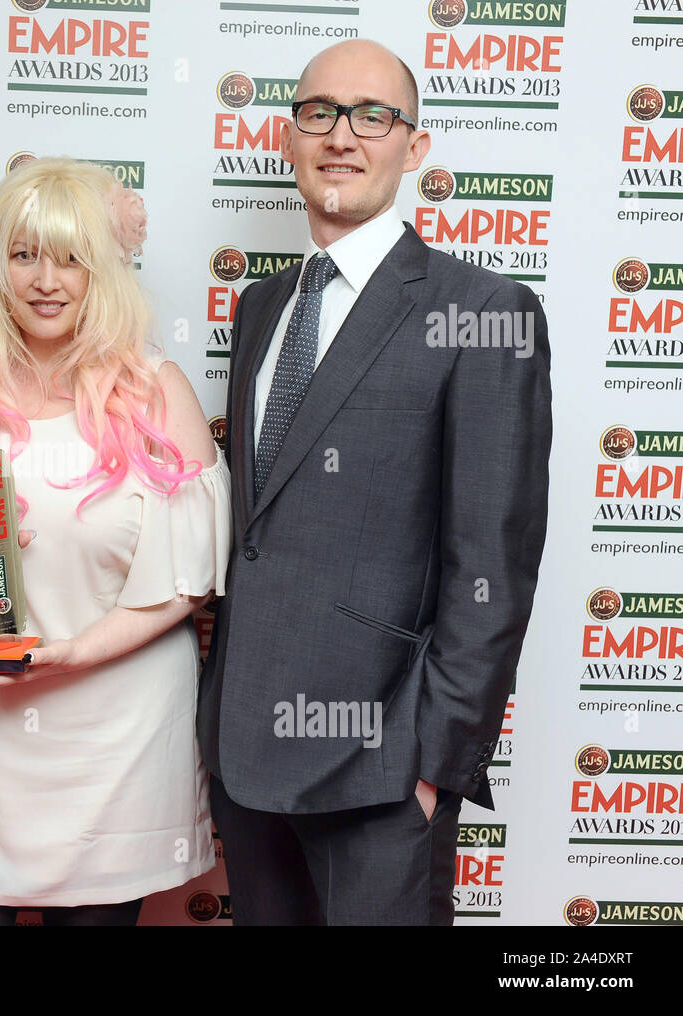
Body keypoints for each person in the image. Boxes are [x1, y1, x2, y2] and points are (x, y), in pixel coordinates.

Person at [199, 39, 552, 925]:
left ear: (415, 145)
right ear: (288, 137)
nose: (342, 137)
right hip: (246, 751)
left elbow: (494, 565)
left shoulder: (481, 312)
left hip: (384, 766)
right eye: (318, 112)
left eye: (373, 116)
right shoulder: (262, 308)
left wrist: (435, 768)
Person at [0, 157, 229, 926]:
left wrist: (70, 654)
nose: (47, 280)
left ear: (104, 268)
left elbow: (190, 580)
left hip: (114, 740)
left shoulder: (154, 387)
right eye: (25, 253)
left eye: (72, 257)